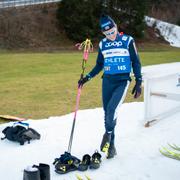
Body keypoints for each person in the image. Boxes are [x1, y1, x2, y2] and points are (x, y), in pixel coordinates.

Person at [78, 14, 142, 159]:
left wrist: (138, 81)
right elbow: (100, 64)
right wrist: (87, 77)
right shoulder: (102, 44)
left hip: (122, 81)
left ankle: (107, 135)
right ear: (103, 33)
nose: (111, 35)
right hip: (107, 81)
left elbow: (136, 62)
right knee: (108, 114)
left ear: (116, 27)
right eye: (107, 34)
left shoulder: (127, 40)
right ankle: (111, 146)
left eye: (112, 32)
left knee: (112, 110)